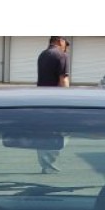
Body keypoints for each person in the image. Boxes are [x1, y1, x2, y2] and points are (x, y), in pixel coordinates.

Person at [35, 37, 70, 173]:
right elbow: (63, 79)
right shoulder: (61, 55)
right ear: (60, 41)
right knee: (64, 132)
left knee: (43, 131)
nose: (66, 47)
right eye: (66, 44)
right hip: (56, 100)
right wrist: (66, 101)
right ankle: (49, 163)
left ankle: (45, 162)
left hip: (41, 99)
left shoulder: (42, 55)